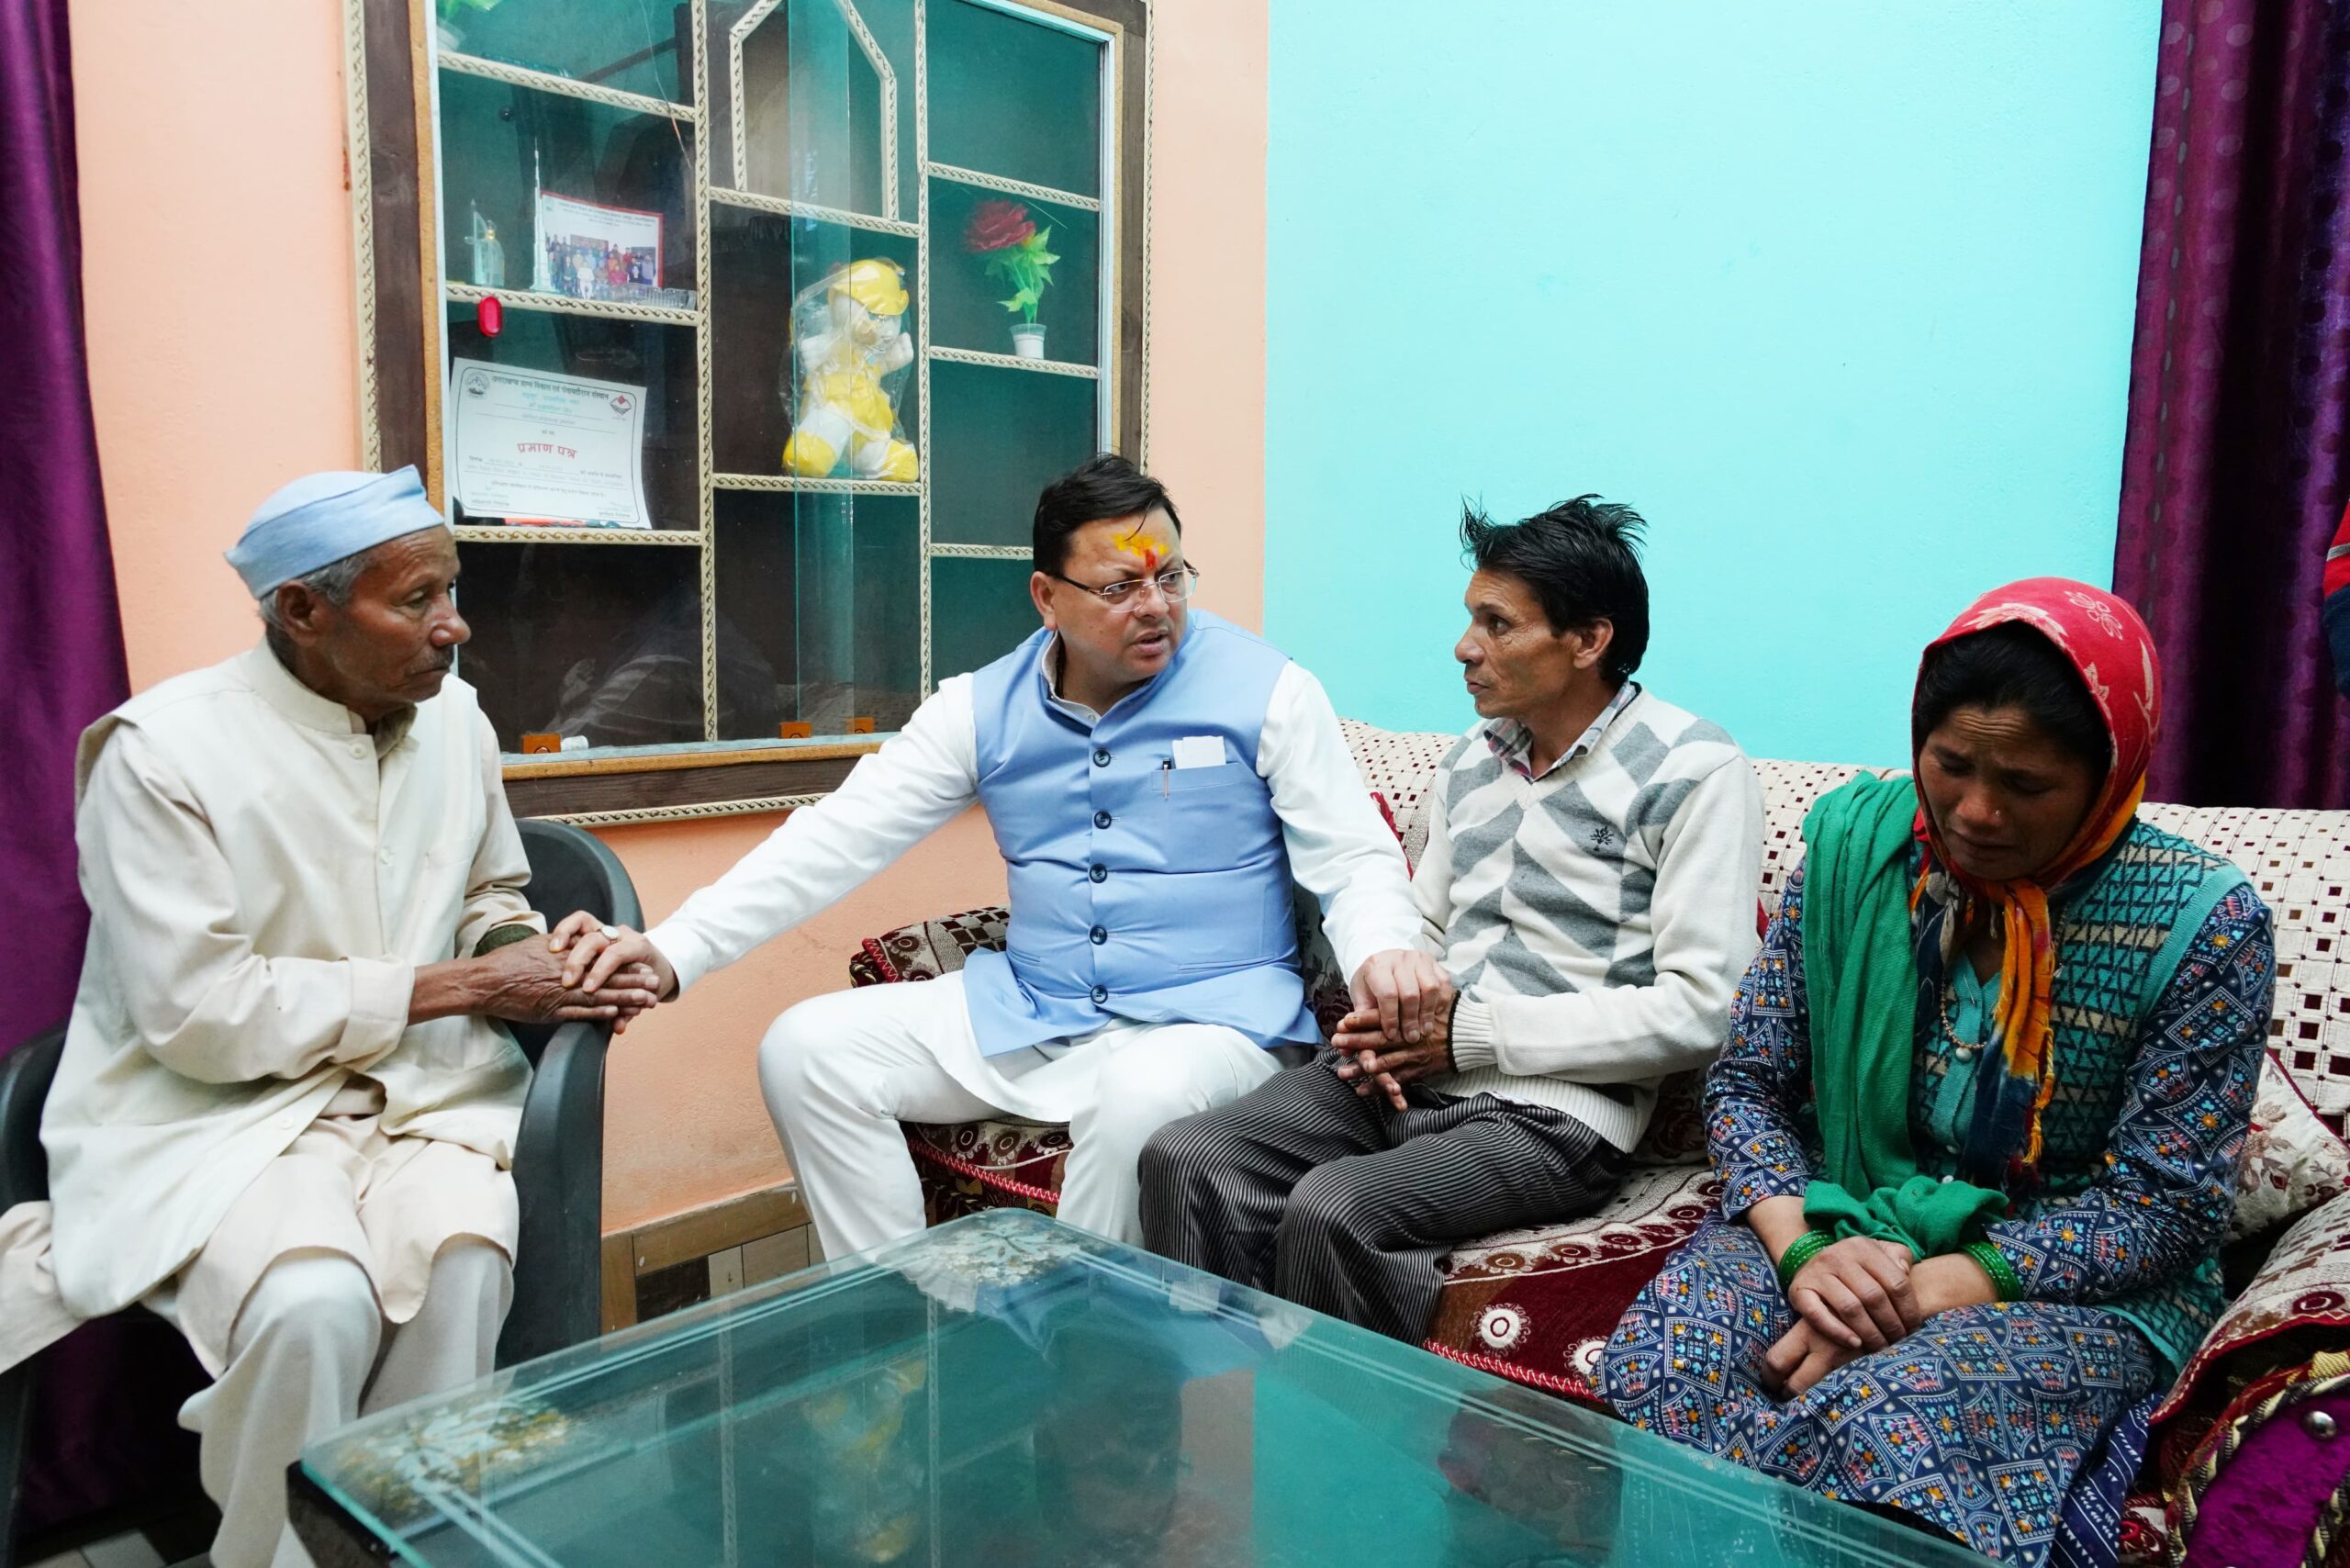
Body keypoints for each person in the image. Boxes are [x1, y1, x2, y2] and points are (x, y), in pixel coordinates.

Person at [0, 467, 658, 1568]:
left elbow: (489, 893)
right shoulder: (158, 753)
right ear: (303, 610)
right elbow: (199, 1012)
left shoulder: (455, 719)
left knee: (461, 1268)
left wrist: (540, 957)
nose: (454, 626)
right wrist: (476, 988)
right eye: (416, 600)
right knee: (314, 1303)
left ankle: (398, 1546)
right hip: (215, 1111)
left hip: (423, 1095)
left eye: (452, 589)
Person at [557, 454, 1445, 1258]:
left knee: (1139, 1095)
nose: (1156, 606)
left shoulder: (1269, 690)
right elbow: (837, 835)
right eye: (1121, 586)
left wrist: (1385, 956)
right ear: (1046, 598)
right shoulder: (981, 709)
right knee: (805, 1051)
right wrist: (674, 949)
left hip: (1212, 1028)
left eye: (1171, 576)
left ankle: (1074, 1353)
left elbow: (1352, 854)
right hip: (1033, 1011)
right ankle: (907, 1316)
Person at [1601, 579, 2275, 1564]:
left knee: (1883, 1417)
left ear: (2109, 775)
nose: (1975, 811)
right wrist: (1804, 1250)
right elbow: (1747, 1082)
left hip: (2069, 1283)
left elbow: (2164, 1207)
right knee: (1666, 1361)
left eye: (2028, 786)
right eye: (1951, 765)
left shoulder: (2202, 924)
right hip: (1839, 1216)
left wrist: (1932, 1289)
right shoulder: (1857, 855)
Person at [1138, 497, 1764, 1339]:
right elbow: (1427, 929)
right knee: (1186, 1158)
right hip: (1413, 1071)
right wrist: (1391, 1009)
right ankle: (1216, 1392)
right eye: (1472, 619)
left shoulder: (1694, 770)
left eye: (1497, 624)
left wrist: (1468, 1035)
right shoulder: (1473, 757)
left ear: (1589, 640)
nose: (1465, 647)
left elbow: (1705, 1008)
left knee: (1335, 1208)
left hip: (1556, 1114)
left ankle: (1327, 1421)